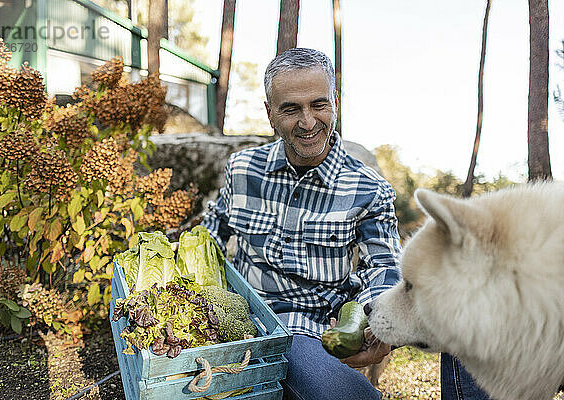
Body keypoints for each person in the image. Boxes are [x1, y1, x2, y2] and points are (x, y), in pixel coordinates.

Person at [201, 47, 489, 400]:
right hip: (248, 322)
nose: (308, 122)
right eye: (291, 108)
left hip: (319, 332)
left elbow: (383, 267)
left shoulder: (370, 189)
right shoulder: (242, 169)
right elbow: (213, 229)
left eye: (318, 104)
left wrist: (371, 327)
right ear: (270, 113)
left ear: (335, 101)